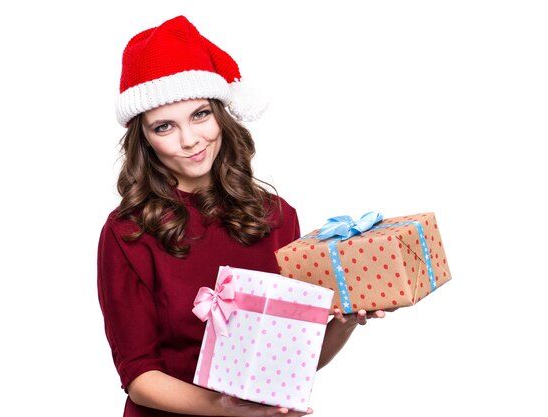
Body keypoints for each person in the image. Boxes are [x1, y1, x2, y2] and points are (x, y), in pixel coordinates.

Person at [97, 15, 387, 417]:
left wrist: (349, 319)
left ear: (222, 114)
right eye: (164, 126)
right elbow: (140, 377)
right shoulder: (127, 232)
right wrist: (227, 409)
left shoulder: (278, 217)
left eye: (200, 115)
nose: (189, 140)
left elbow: (295, 358)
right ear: (143, 139)